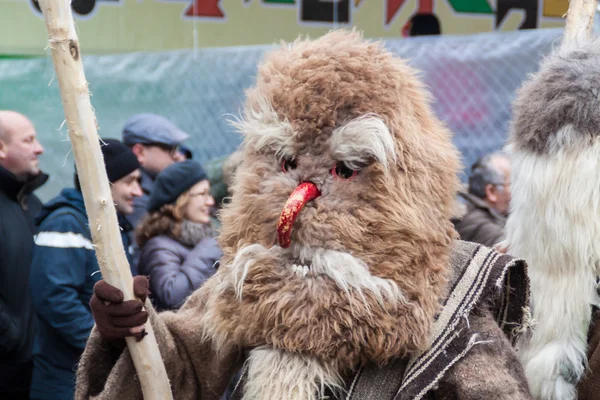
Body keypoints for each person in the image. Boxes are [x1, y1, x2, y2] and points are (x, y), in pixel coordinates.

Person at [75, 30, 532, 400]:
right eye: (286, 163)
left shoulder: (450, 292)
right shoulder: (248, 274)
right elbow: (186, 364)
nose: (304, 192)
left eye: (346, 168)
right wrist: (134, 332)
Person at [28, 139, 142, 400]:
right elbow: (54, 299)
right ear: (104, 181)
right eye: (130, 181)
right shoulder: (65, 224)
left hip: (97, 378)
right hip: (64, 382)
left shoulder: (112, 228)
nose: (138, 191)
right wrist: (105, 342)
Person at [0, 111, 46, 400]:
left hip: (36, 367)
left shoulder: (33, 204)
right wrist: (10, 336)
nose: (39, 148)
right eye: (28, 140)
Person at [136, 160, 222, 311]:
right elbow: (172, 297)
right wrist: (209, 247)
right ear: (181, 200)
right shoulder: (157, 246)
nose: (210, 201)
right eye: (203, 194)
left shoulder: (203, 237)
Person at [121, 113, 189, 230]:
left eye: (177, 149)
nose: (177, 156)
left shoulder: (154, 185)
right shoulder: (136, 198)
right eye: (169, 149)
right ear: (140, 152)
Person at [452, 152, 511, 247]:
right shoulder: (480, 225)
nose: (518, 190)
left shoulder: (474, 212)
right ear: (491, 192)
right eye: (512, 183)